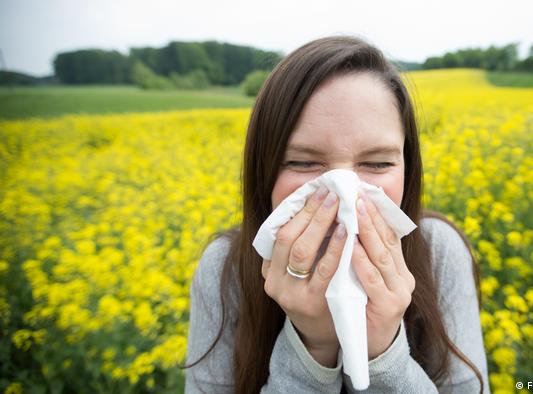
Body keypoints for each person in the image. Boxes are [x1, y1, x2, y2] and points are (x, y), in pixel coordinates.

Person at [181, 35, 490, 394]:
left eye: (376, 163)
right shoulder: (226, 268)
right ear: (263, 168)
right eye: (303, 162)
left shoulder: (438, 250)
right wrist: (312, 347)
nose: (344, 190)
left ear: (408, 166)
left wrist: (383, 352)